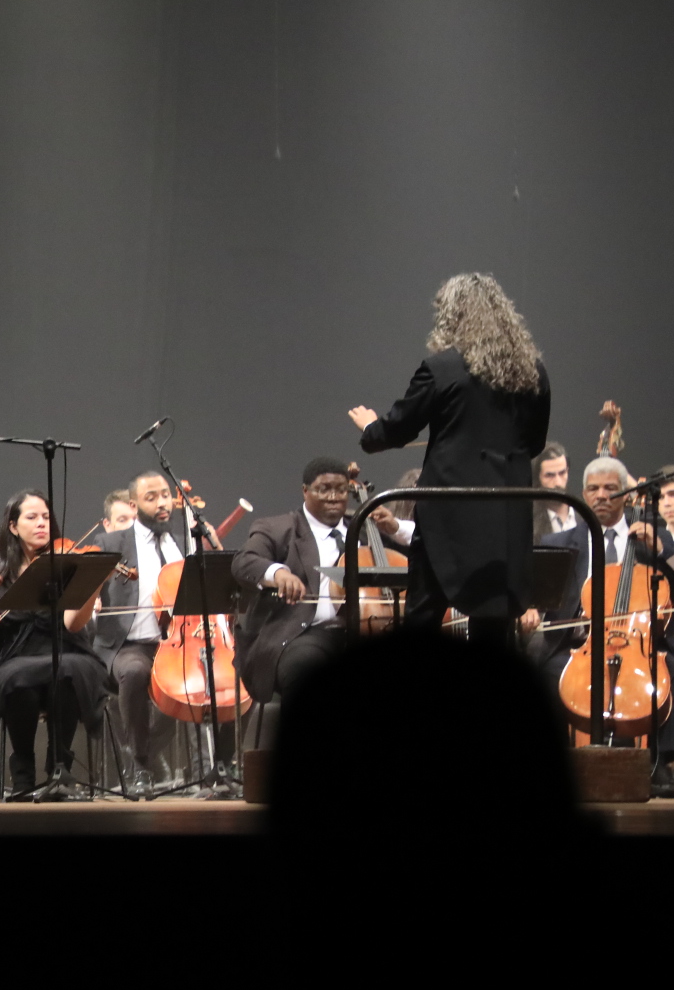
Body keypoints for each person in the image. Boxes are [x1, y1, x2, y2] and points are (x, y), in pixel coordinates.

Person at [350, 272, 551, 644]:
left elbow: (398, 430)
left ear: (452, 316)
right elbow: (534, 442)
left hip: (448, 512)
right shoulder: (532, 371)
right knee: (493, 626)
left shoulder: (442, 369)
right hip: (505, 513)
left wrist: (370, 428)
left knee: (424, 614)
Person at [530, 456, 674, 790]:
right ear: (583, 494)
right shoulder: (559, 543)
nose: (601, 495)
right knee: (547, 675)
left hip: (639, 644)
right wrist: (528, 608)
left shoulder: (653, 536)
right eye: (593, 489)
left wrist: (661, 550)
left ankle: (660, 764)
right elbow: (533, 591)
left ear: (626, 494)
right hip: (578, 645)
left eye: (610, 488)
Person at [0, 489, 106, 796]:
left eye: (46, 517)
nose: (41, 524)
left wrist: (92, 585)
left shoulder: (66, 566)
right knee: (18, 677)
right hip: (17, 656)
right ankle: (22, 771)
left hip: (68, 650)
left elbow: (72, 624)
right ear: (13, 526)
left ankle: (59, 767)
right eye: (32, 517)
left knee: (69, 670)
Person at [233, 457, 409, 707]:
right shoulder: (278, 528)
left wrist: (395, 527)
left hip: (365, 630)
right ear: (305, 491)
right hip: (303, 632)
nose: (334, 497)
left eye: (341, 490)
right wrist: (279, 574)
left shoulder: (364, 528)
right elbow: (245, 560)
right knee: (305, 665)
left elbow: (418, 553)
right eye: (324, 489)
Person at [89, 471, 185, 788]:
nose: (162, 503)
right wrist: (92, 595)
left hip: (178, 644)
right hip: (129, 645)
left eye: (166, 495)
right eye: (151, 497)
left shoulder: (183, 542)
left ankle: (142, 754)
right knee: (134, 673)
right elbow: (87, 589)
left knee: (201, 680)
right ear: (134, 505)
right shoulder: (110, 543)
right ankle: (142, 766)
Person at [533, 443, 574, 539]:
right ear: (538, 478)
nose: (558, 483)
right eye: (549, 475)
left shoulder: (586, 517)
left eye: (562, 473)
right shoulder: (528, 524)